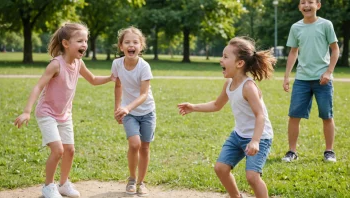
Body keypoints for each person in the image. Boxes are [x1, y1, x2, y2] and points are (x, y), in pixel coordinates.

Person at [14, 22, 115, 198]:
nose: (84, 44)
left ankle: (63, 184)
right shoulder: (56, 65)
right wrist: (26, 111)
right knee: (58, 150)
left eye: (86, 40)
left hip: (64, 114)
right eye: (80, 41)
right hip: (47, 113)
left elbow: (92, 79)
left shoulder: (79, 63)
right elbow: (38, 87)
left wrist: (111, 78)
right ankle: (48, 186)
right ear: (66, 44)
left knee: (70, 150)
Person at [178, 37, 276, 198]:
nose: (220, 60)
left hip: (260, 137)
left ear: (239, 63)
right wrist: (193, 107)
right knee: (221, 168)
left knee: (252, 177)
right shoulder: (229, 83)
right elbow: (217, 105)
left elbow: (260, 116)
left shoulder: (249, 87)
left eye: (225, 57)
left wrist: (256, 141)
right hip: (238, 135)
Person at [282, 0, 340, 163]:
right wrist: (287, 76)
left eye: (310, 2)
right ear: (299, 7)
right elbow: (293, 52)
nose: (306, 5)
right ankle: (292, 151)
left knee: (327, 115)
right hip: (302, 79)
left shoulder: (326, 25)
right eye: (302, 2)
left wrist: (329, 72)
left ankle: (329, 151)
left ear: (318, 5)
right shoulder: (296, 27)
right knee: (294, 115)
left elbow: (335, 50)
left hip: (323, 79)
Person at [111, 26, 156, 197]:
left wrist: (126, 107)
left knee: (145, 147)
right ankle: (131, 178)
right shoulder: (116, 64)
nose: (131, 45)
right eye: (127, 42)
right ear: (121, 46)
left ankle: (141, 182)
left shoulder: (144, 67)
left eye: (135, 42)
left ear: (141, 46)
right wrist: (118, 108)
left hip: (147, 112)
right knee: (134, 144)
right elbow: (118, 85)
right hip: (129, 113)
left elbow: (144, 94)